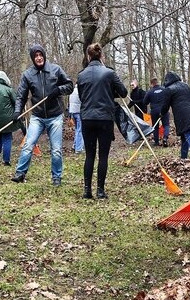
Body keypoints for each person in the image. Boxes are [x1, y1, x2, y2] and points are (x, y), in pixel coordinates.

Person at [11, 43, 73, 186]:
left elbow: (70, 85)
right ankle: (20, 173)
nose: (38, 58)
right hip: (37, 116)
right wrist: (17, 112)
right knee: (28, 145)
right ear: (33, 58)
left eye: (40, 55)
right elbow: (21, 96)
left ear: (44, 55)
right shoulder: (27, 75)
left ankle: (56, 176)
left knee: (56, 149)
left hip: (55, 115)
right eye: (35, 56)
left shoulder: (55, 70)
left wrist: (58, 90)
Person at [76, 43, 128, 199]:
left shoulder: (81, 75)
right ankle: (100, 190)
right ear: (101, 56)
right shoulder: (109, 73)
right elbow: (124, 93)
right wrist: (109, 90)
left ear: (88, 56)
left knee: (90, 155)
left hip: (87, 119)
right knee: (103, 155)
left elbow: (81, 97)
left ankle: (87, 190)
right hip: (105, 119)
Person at [160, 72, 190, 160]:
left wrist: (162, 113)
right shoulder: (185, 85)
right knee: (184, 136)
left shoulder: (169, 89)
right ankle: (183, 157)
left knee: (188, 134)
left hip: (182, 114)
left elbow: (165, 105)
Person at [144, 77, 169, 147]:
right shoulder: (164, 89)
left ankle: (156, 142)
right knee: (166, 125)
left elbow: (145, 102)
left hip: (154, 110)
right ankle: (165, 138)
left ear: (151, 84)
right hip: (164, 109)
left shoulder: (150, 91)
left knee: (155, 127)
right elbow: (168, 98)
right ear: (157, 82)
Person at [68, 84, 84, 153]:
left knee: (77, 130)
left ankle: (74, 146)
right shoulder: (80, 91)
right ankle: (79, 148)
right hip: (79, 112)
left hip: (73, 112)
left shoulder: (72, 91)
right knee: (80, 130)